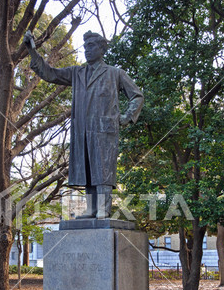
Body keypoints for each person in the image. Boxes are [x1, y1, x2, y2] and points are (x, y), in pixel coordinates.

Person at [23, 30, 144, 219]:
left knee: (103, 170)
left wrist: (127, 117)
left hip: (105, 130)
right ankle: (91, 210)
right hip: (82, 130)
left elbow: (137, 96)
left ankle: (104, 210)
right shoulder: (76, 73)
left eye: (91, 46)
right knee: (88, 168)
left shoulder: (115, 73)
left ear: (102, 49)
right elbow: (50, 74)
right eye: (85, 47)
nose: (86, 50)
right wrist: (32, 52)